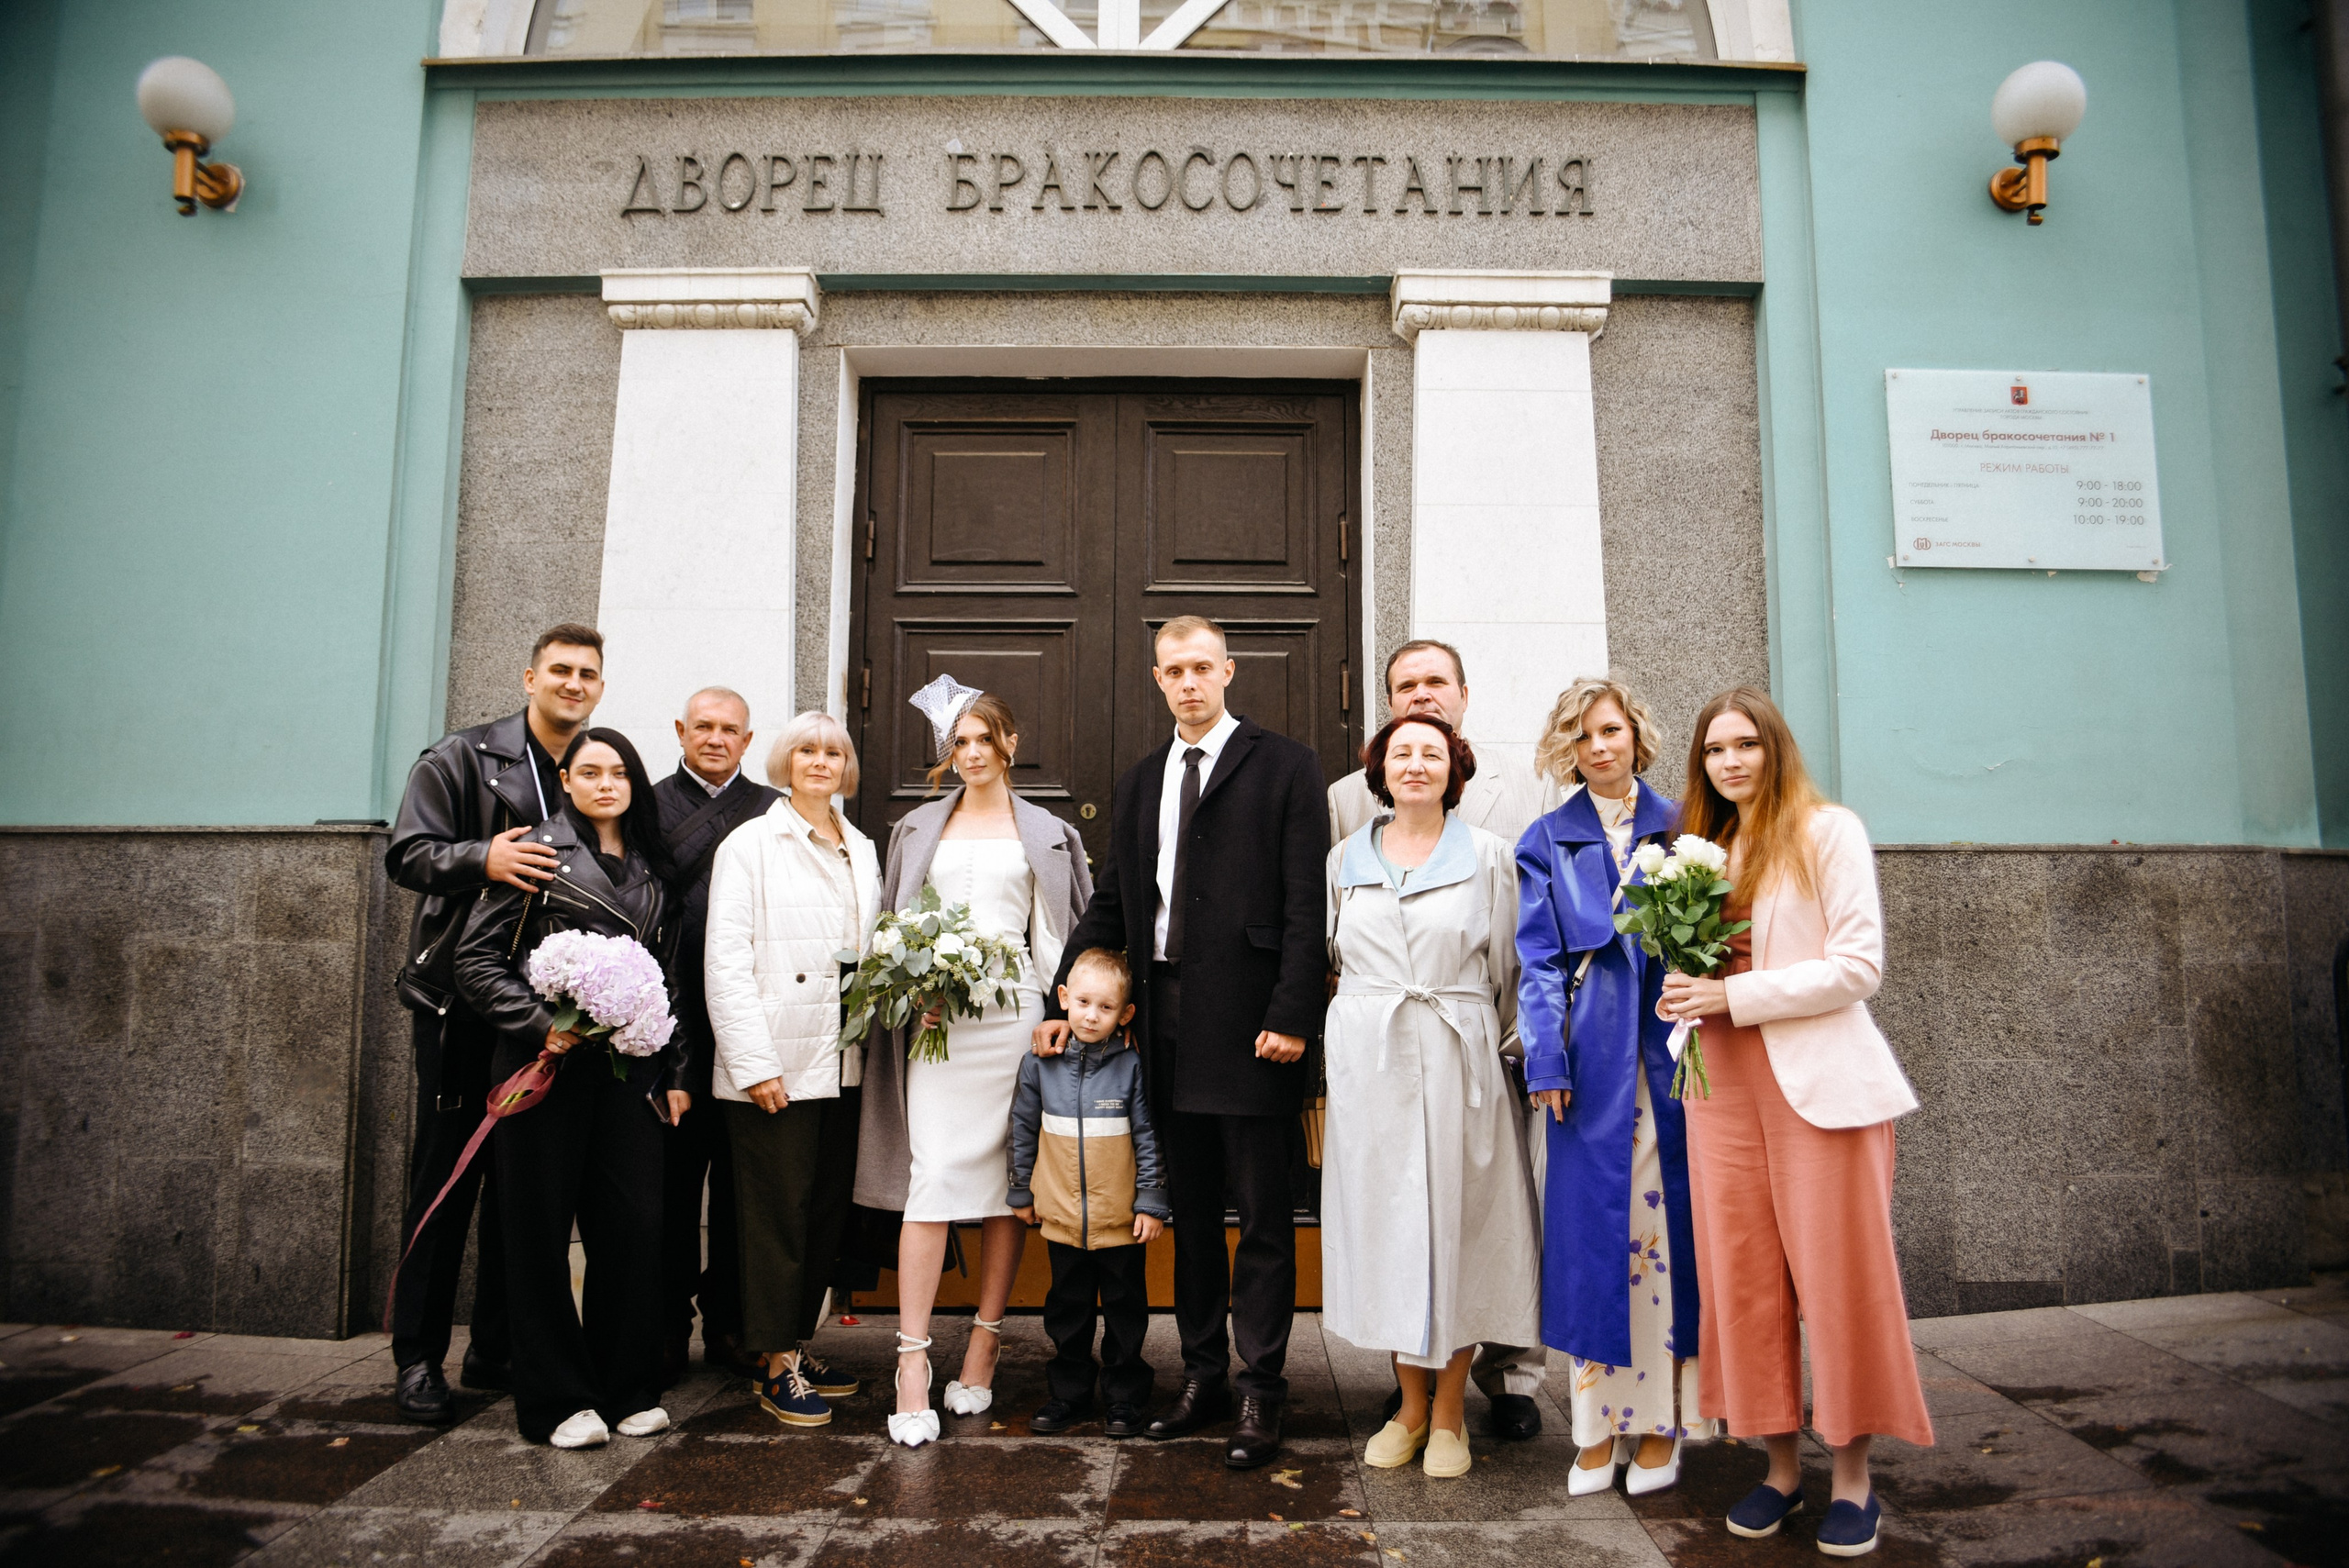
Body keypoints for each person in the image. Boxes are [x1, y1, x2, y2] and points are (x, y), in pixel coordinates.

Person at [1036, 616, 1329, 1471]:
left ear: (1228, 670)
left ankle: (1261, 1387)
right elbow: (1114, 902)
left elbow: (1305, 902)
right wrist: (1061, 996)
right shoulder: (1141, 780)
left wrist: (1293, 1012)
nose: (1189, 681)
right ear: (1158, 678)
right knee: (1191, 1215)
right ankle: (1202, 1376)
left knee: (1263, 1218)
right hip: (1163, 1025)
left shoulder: (1286, 765)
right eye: (1174, 670)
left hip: (1255, 1027)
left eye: (1203, 666)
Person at [1657, 686, 1931, 1558]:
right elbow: (1697, 968)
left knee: (1840, 1282)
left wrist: (1731, 994)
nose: (1730, 761)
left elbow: (1858, 966)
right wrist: (1684, 993)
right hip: (1722, 1089)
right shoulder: (1703, 851)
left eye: (1745, 744)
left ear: (1775, 748)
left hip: (1819, 1088)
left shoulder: (1826, 832)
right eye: (1714, 749)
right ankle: (1779, 1469)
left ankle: (1852, 1479)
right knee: (1743, 1284)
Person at [1326, 638, 1558, 1442]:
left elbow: (1513, 965)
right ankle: (1410, 1402)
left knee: (1467, 1223)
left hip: (1463, 1056)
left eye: (1431, 752)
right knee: (1390, 1223)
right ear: (1380, 765)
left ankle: (1460, 1404)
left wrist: (1511, 1053)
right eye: (1402, 750)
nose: (1415, 762)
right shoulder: (1344, 849)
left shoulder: (1497, 844)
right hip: (1374, 1062)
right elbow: (1332, 954)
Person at [856, 682, 1092, 1448]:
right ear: (948, 752)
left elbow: (1059, 932)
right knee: (930, 1179)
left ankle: (985, 1342)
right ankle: (913, 1359)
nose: (974, 752)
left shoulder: (1048, 831)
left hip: (1013, 1019)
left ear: (1009, 743)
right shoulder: (916, 827)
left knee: (1003, 1185)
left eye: (986, 738)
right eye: (960, 741)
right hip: (939, 1027)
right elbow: (893, 923)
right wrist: (912, 989)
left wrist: (1063, 1013)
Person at [383, 622, 604, 1425]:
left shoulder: (593, 764)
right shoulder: (460, 757)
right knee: (446, 1183)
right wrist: (483, 857)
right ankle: (416, 1357)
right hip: (462, 1008)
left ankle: (496, 1347)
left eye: (587, 674)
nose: (573, 684)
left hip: (543, 1016)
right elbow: (407, 852)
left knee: (523, 1190)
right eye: (560, 670)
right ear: (530, 677)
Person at [451, 727, 685, 1449]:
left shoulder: (653, 867)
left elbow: (671, 977)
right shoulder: (537, 853)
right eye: (590, 772)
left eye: (619, 772)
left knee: (633, 1227)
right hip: (545, 1067)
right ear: (565, 780)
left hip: (628, 1072)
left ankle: (627, 1386)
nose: (606, 783)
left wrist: (676, 1071)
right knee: (538, 1230)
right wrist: (541, 1025)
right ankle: (556, 1399)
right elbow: (475, 960)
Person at [1516, 677, 1720, 1498]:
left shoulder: (1688, 825)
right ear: (1565, 751)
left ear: (1635, 732)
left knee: (1669, 1235)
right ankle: (1597, 1428)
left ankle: (1665, 1423)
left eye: (1610, 730)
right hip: (1590, 1057)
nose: (1599, 747)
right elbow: (1538, 958)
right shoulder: (1546, 838)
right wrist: (1546, 1059)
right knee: (1592, 1238)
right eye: (1582, 736)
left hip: (1675, 1053)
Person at [704, 711, 880, 1429]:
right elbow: (725, 961)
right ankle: (772, 1362)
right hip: (775, 1060)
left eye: (833, 751)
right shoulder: (750, 844)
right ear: (784, 760)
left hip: (843, 1058)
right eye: (806, 749)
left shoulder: (861, 846)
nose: (820, 760)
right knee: (774, 1218)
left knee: (821, 1215)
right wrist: (753, 1063)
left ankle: (795, 1346)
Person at [651, 686, 783, 1386]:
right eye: (703, 726)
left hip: (748, 1026)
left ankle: (732, 1323)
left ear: (748, 739)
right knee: (671, 1186)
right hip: (670, 1023)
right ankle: (666, 1326)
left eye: (729, 729)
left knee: (741, 1187)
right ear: (681, 730)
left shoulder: (772, 809)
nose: (715, 738)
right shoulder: (647, 806)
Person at [1006, 948, 1171, 1438]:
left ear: (1126, 1014)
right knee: (1067, 1308)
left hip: (1119, 1220)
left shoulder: (1132, 1067)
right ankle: (1068, 1393)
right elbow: (1022, 1130)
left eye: (1105, 1007)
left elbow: (1148, 1137)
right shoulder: (1039, 1065)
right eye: (1082, 1003)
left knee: (1125, 1309)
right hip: (1060, 1215)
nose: (1092, 1016)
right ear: (1063, 998)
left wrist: (1152, 1201)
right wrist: (1021, 1191)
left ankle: (1125, 1396)